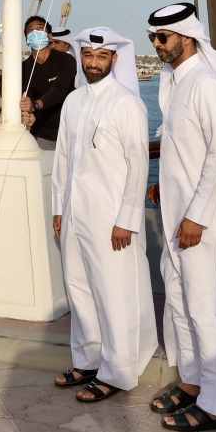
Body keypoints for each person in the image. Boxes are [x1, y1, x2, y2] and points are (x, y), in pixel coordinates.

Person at [145, 2, 216, 432]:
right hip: (176, 212)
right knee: (182, 302)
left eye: (162, 37)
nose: (156, 44)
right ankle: (193, 382)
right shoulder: (173, 82)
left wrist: (197, 215)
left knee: (208, 309)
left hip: (200, 221)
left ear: (186, 37)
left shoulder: (206, 83)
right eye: (152, 37)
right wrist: (164, 188)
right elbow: (182, 149)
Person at [51, 27, 157, 403]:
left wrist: (127, 218)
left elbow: (138, 165)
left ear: (114, 59)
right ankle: (88, 360)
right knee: (78, 289)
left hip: (112, 218)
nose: (94, 63)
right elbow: (63, 159)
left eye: (102, 57)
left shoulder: (128, 103)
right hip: (75, 213)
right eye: (88, 56)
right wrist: (58, 209)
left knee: (114, 294)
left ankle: (117, 372)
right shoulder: (74, 101)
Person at [19, 14, 77, 149]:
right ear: (27, 40)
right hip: (39, 134)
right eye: (30, 31)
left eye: (39, 29)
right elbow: (22, 97)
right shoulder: (22, 67)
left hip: (66, 133)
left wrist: (34, 106)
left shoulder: (65, 60)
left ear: (49, 36)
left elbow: (58, 91)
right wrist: (27, 114)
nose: (35, 33)